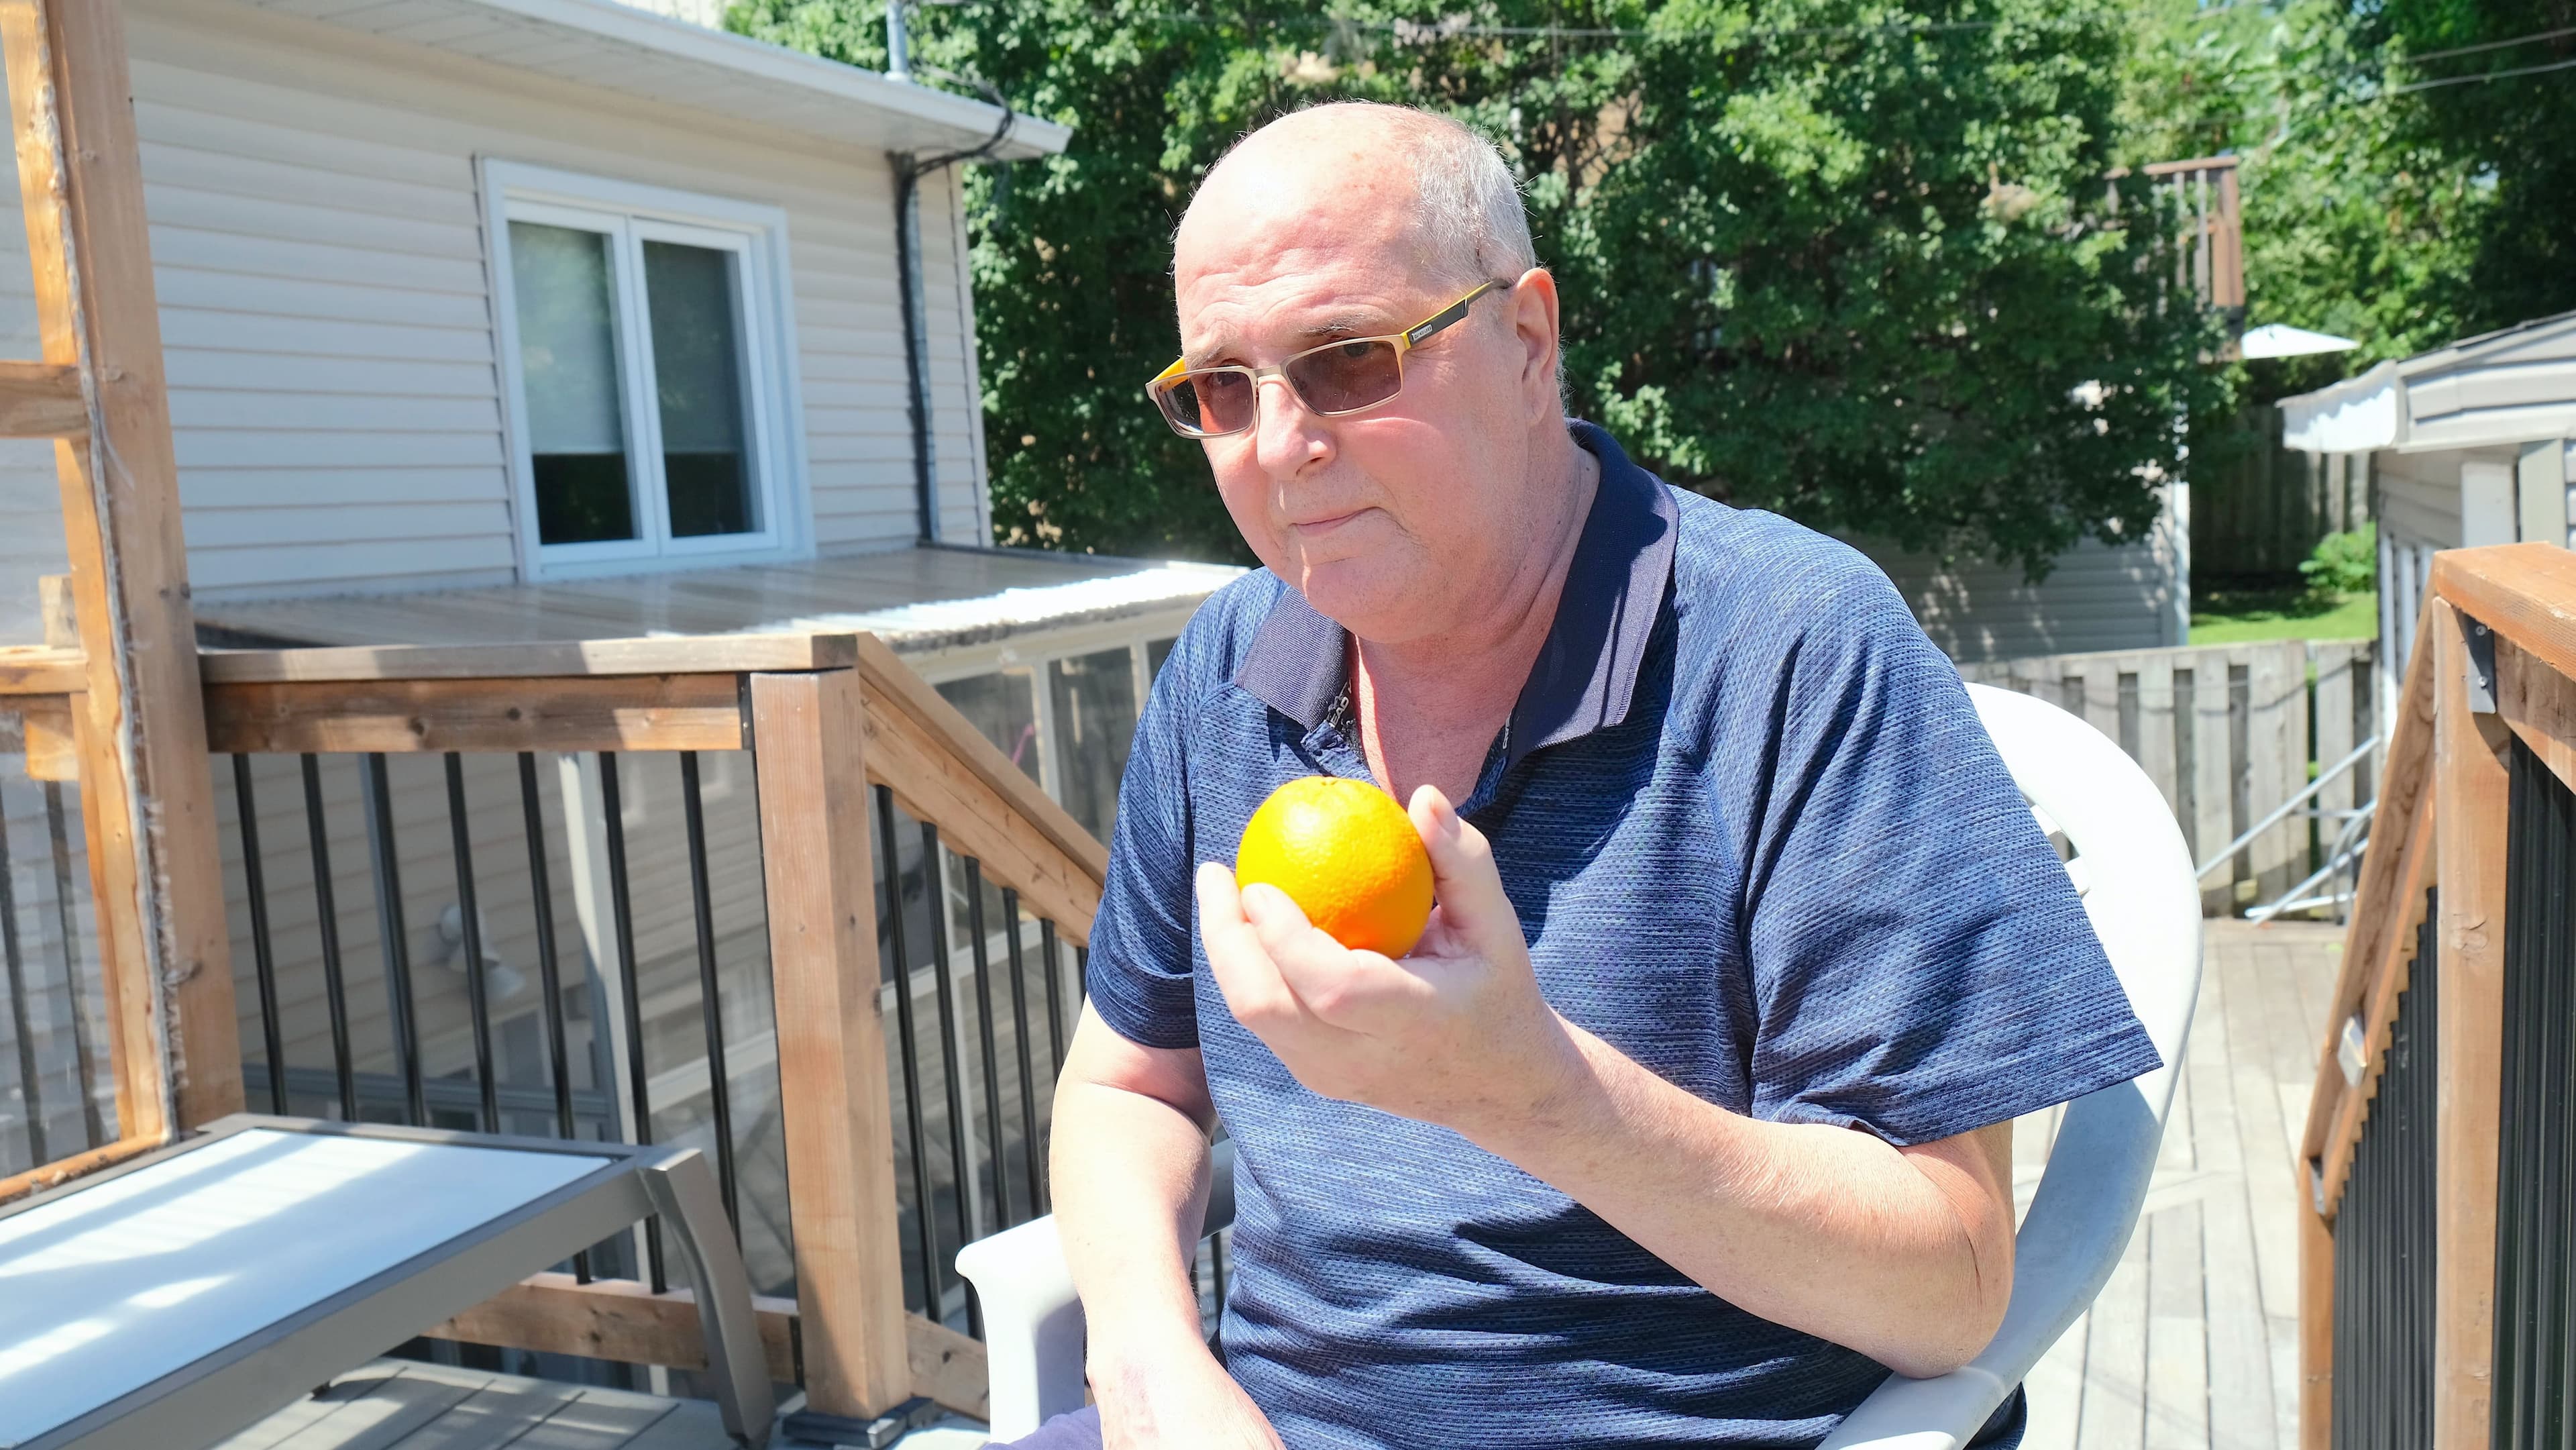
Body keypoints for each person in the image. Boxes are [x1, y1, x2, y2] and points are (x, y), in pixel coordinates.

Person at [1003, 101, 2159, 1450]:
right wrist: (1150, 1363)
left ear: (1528, 336)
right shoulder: (1228, 666)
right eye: (1221, 387)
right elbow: (1126, 1086)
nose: (1278, 443)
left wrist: (1534, 1093)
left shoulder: (1793, 647)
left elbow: (1950, 1283)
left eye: (1349, 360)